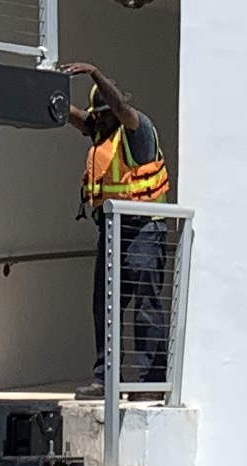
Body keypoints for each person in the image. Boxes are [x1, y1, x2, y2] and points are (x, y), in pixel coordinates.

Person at [73, 69, 176, 392]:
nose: (96, 126)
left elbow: (120, 109)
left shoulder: (136, 129)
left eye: (100, 118)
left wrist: (94, 74)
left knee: (146, 304)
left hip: (145, 228)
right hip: (112, 229)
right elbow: (75, 117)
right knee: (106, 304)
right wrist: (48, 91)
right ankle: (106, 378)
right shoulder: (102, 133)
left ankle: (151, 380)